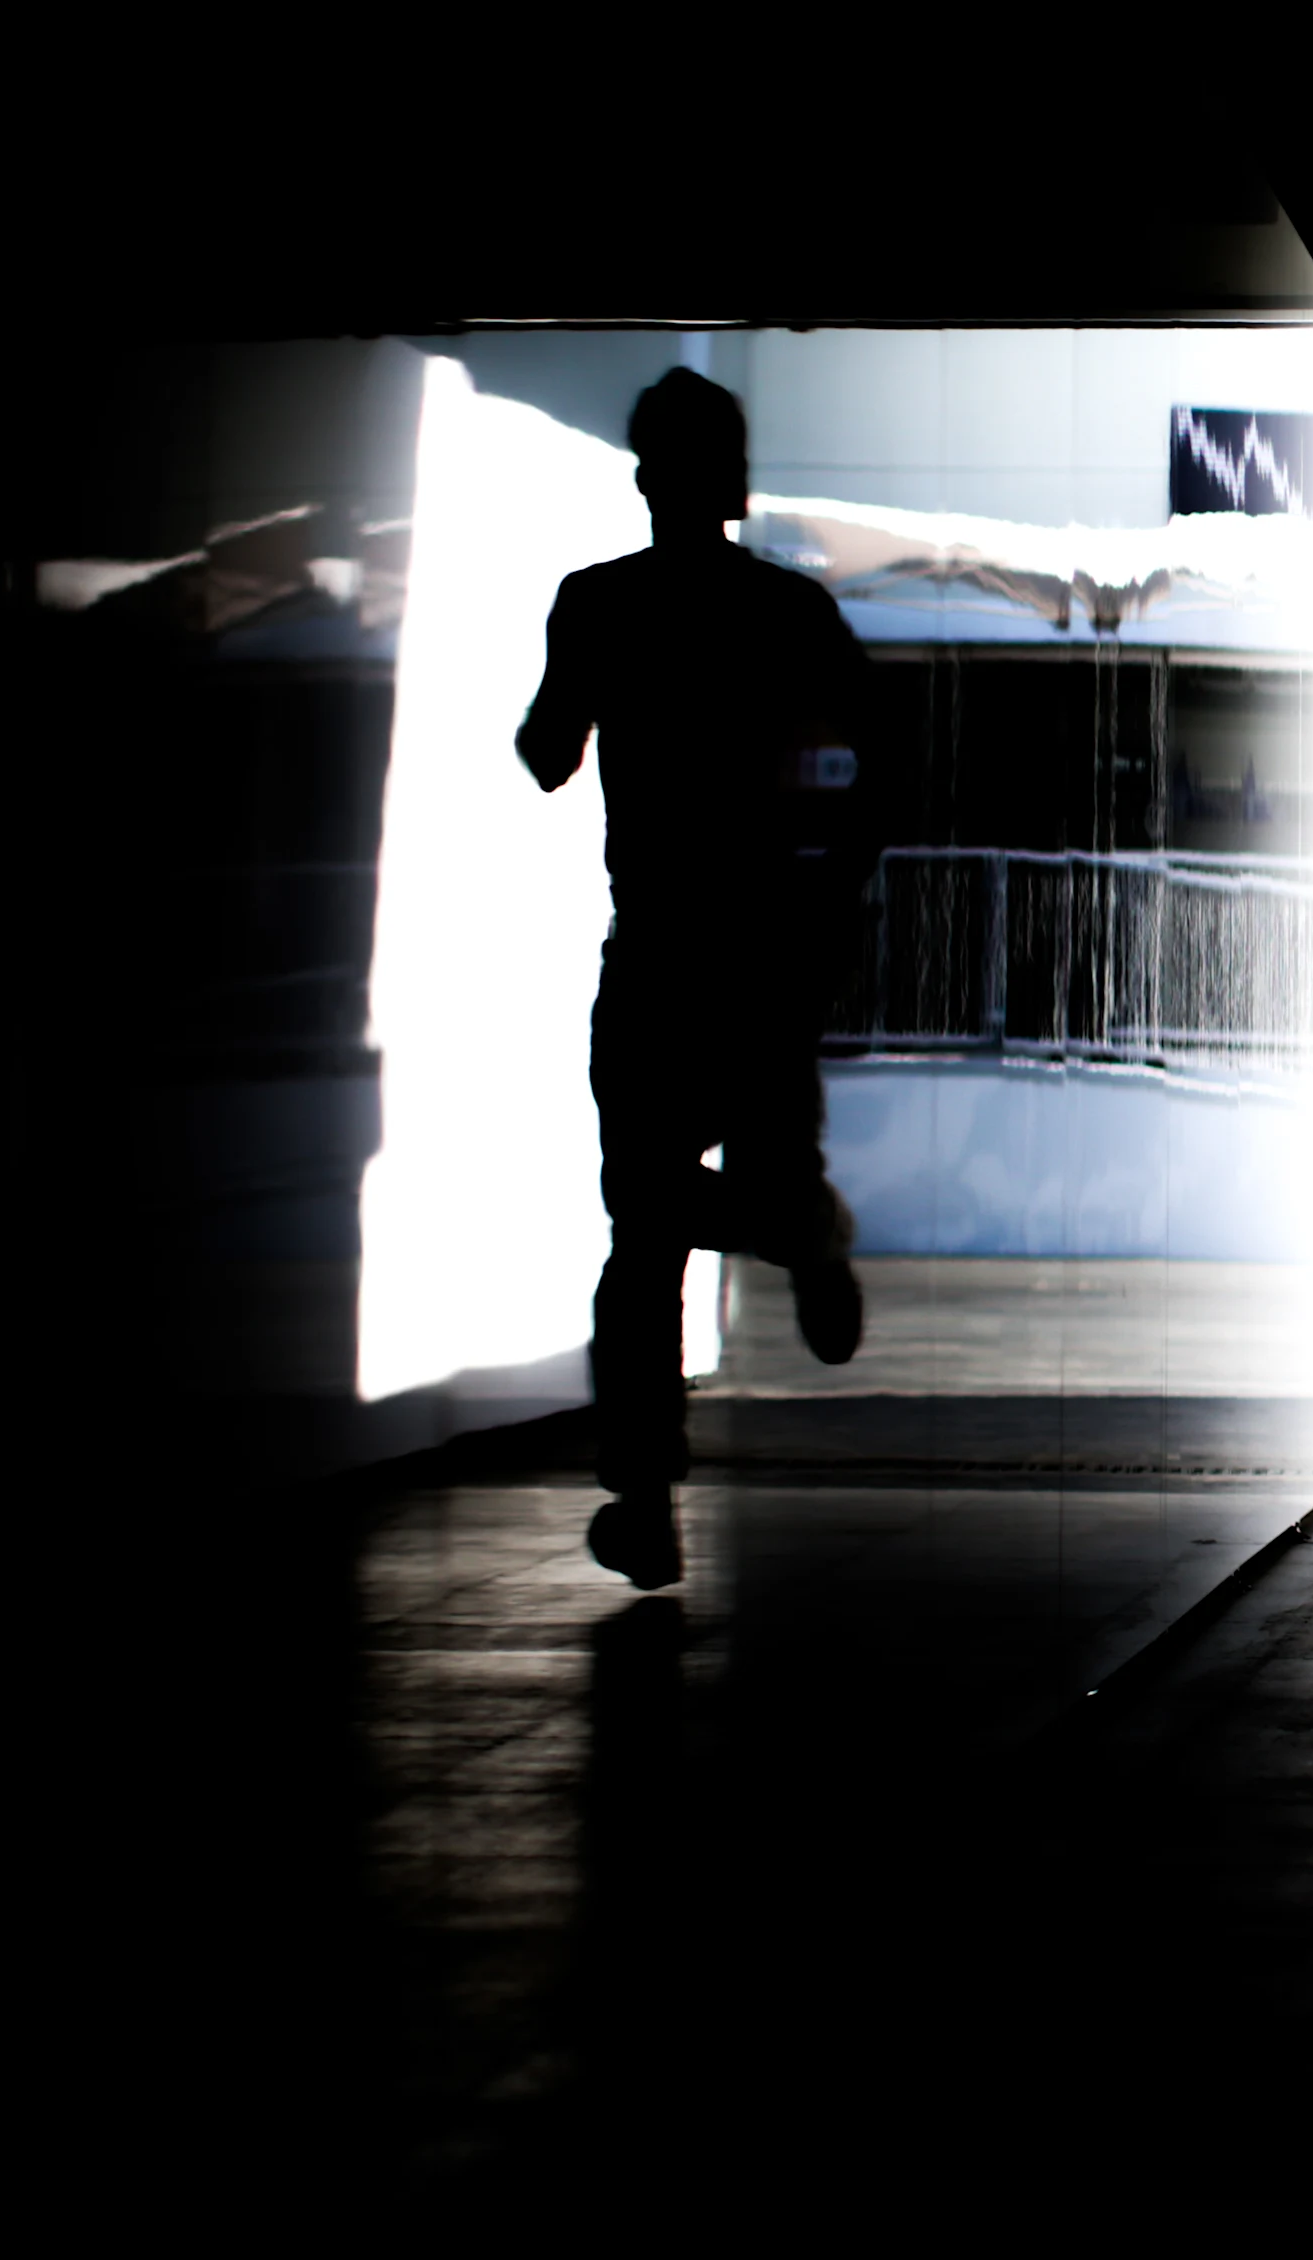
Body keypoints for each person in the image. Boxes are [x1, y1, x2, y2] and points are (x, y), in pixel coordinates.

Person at [516, 368, 893, 1589]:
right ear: (734, 484)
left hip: (657, 952)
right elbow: (862, 785)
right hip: (766, 964)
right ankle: (802, 1231)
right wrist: (827, 917)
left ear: (642, 477)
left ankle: (641, 1494)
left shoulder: (596, 604)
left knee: (642, 1224)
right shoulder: (793, 614)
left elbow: (543, 755)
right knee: (764, 1172)